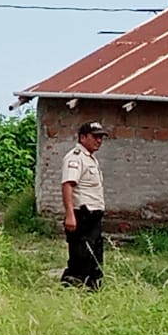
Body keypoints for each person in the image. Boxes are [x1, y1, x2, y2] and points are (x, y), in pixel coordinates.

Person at [61, 121, 109, 289]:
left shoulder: (91, 159)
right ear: (83, 137)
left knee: (95, 258)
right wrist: (70, 215)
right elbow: (68, 185)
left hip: (93, 217)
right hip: (81, 215)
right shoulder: (75, 158)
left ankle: (92, 294)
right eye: (95, 137)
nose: (99, 141)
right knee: (80, 258)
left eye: (101, 137)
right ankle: (69, 291)